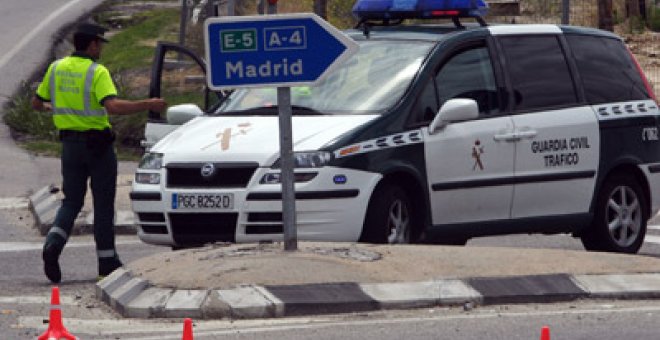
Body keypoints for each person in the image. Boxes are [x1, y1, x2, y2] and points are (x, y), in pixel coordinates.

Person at [31, 23, 167, 283]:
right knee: (103, 204)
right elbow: (113, 106)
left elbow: (37, 102)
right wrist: (148, 104)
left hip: (69, 146)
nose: (101, 48)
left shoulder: (56, 68)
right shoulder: (97, 71)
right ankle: (107, 261)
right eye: (100, 44)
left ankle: (53, 244)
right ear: (92, 44)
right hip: (98, 147)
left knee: (71, 201)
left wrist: (55, 108)